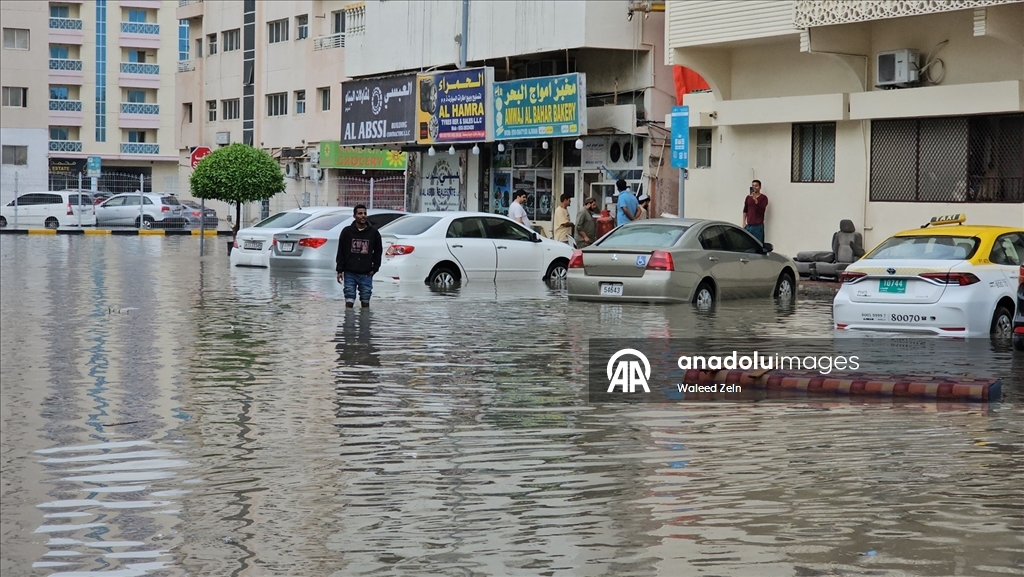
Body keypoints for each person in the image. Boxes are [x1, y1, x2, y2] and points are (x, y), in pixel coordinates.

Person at [336, 204, 383, 309]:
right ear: (354, 216)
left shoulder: (373, 233)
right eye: (360, 213)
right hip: (350, 272)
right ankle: (348, 319)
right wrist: (339, 270)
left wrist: (375, 268)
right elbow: (341, 251)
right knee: (349, 299)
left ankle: (365, 318)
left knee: (365, 301)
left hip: (366, 273)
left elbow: (378, 251)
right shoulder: (347, 232)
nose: (363, 216)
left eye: (365, 213)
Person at [742, 179, 768, 244]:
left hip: (758, 225)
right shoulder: (748, 197)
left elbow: (762, 209)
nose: (754, 187)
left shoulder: (763, 198)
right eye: (753, 186)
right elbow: (745, 210)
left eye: (756, 186)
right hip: (749, 225)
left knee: (757, 244)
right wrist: (744, 222)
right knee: (747, 243)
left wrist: (756, 200)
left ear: (760, 187)